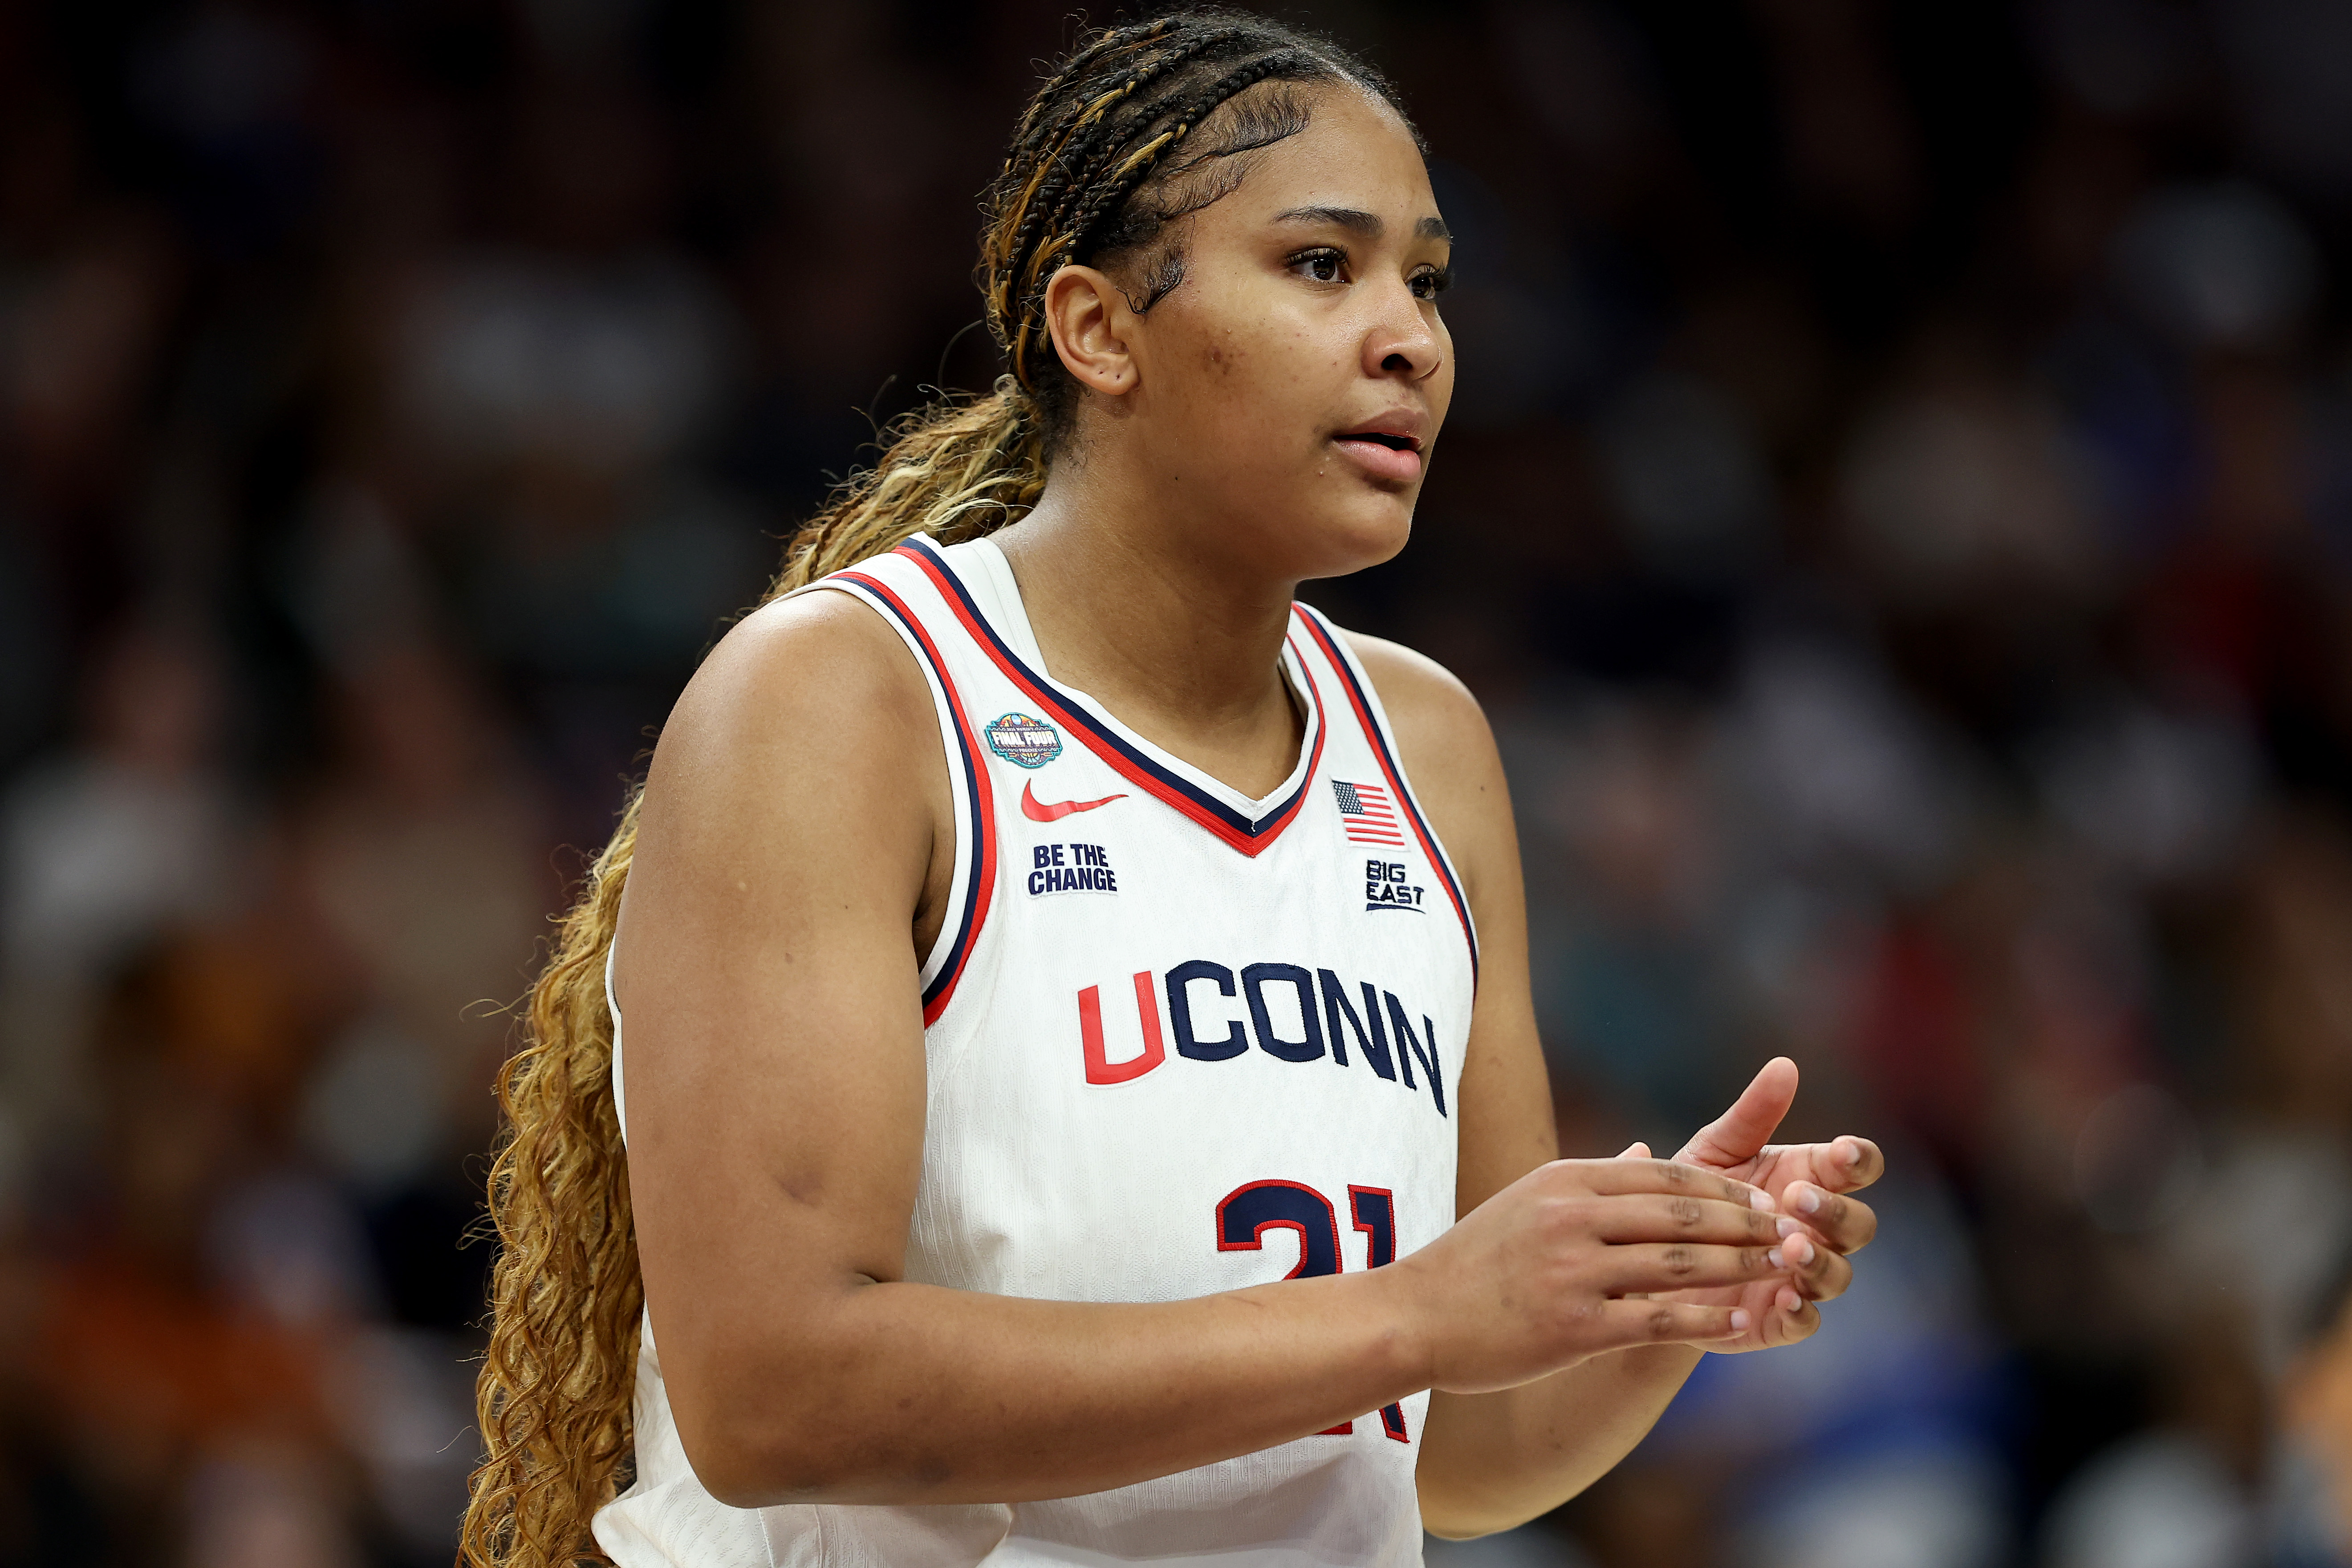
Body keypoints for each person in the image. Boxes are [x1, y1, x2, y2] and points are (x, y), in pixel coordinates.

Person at [460, 11, 1884, 1566]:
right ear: (1098, 328)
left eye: (1426, 277)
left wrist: (1649, 1294)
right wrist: (1416, 1306)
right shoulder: (843, 698)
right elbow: (775, 1393)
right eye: (1323, 266)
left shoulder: (1423, 745)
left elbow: (1453, 1448)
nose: (1409, 335)